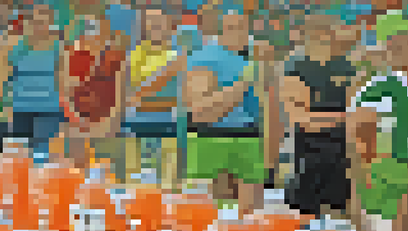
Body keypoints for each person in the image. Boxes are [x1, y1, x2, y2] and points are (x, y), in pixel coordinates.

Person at [185, 7, 273, 213]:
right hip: (209, 138)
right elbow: (198, 109)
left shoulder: (256, 57)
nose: (238, 33)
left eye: (242, 28)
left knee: (250, 212)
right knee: (204, 210)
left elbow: (267, 105)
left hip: (249, 135)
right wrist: (244, 82)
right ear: (220, 30)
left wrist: (269, 151)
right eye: (231, 28)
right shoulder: (203, 58)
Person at [350, 13, 408, 231]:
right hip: (382, 171)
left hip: (395, 167)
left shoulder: (397, 82)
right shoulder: (381, 86)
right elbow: (358, 130)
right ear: (394, 45)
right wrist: (364, 173)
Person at [282, 13, 361, 218]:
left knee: (340, 214)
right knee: (307, 215)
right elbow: (303, 120)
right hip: (309, 153)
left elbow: (357, 111)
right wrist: (343, 118)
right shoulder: (296, 67)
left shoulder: (347, 66)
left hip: (341, 153)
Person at [0, 3, 65, 157]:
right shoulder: (15, 47)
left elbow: (62, 79)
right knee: (20, 155)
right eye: (36, 22)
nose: (39, 27)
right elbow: (2, 78)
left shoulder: (58, 48)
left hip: (49, 109)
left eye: (43, 22)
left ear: (50, 24)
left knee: (45, 155)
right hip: (21, 108)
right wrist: (5, 104)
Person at [125, 7, 186, 187]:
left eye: (159, 22)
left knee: (169, 183)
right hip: (138, 127)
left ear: (169, 26)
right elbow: (130, 95)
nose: (155, 26)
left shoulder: (180, 54)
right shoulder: (134, 56)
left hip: (171, 126)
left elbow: (181, 95)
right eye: (150, 23)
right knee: (137, 182)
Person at [62, 14, 129, 174]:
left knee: (108, 176)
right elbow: (65, 94)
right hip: (78, 127)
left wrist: (111, 123)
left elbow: (121, 94)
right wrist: (77, 123)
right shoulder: (71, 56)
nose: (91, 36)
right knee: (78, 176)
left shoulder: (116, 57)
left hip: (107, 125)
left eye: (95, 31)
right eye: (87, 31)